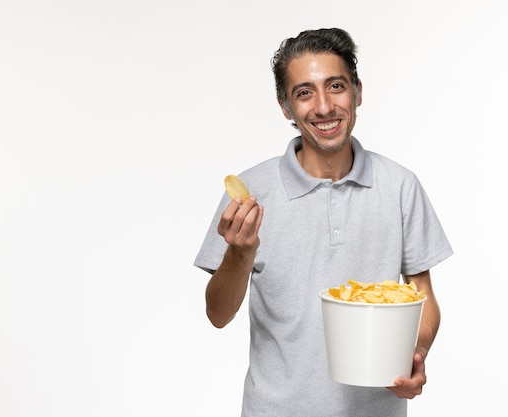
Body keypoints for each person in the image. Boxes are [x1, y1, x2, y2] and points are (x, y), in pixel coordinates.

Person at [193, 28, 453, 417]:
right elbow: (218, 314)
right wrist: (240, 252)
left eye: (336, 86)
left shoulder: (400, 185)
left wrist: (415, 352)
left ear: (358, 92)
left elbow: (422, 294)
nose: (324, 106)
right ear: (285, 107)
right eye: (304, 92)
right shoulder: (250, 193)